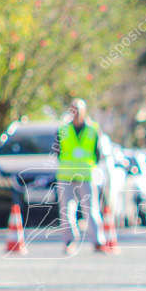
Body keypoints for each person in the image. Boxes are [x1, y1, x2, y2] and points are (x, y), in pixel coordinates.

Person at [57, 98, 106, 255]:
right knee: (67, 209)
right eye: (73, 109)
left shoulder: (92, 129)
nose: (76, 112)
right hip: (66, 175)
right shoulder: (63, 129)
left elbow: (98, 153)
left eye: (78, 109)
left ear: (84, 111)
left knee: (91, 209)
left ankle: (98, 242)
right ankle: (69, 241)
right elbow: (58, 151)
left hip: (86, 175)